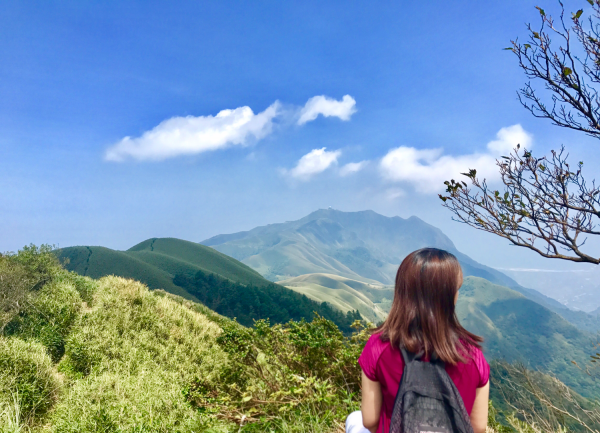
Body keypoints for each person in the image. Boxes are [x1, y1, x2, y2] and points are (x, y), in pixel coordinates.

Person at [346, 248, 489, 433]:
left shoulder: (378, 345)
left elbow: (370, 421)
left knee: (354, 418)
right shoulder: (473, 354)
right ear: (449, 297)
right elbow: (478, 427)